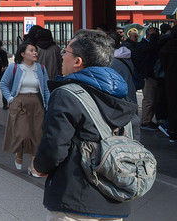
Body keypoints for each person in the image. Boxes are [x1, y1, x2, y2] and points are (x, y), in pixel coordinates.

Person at [33, 30, 133, 220]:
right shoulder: (122, 94)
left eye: (66, 52)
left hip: (75, 197)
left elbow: (54, 146)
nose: (62, 57)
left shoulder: (66, 94)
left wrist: (39, 166)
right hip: (117, 197)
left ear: (78, 61)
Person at [0, 42, 50, 175]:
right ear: (23, 54)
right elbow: (3, 84)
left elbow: (45, 88)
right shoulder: (14, 67)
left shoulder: (41, 68)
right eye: (31, 50)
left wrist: (48, 104)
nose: (35, 53)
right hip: (19, 101)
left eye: (35, 50)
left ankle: (33, 166)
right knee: (21, 133)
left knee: (37, 135)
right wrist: (10, 99)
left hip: (37, 102)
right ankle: (19, 154)